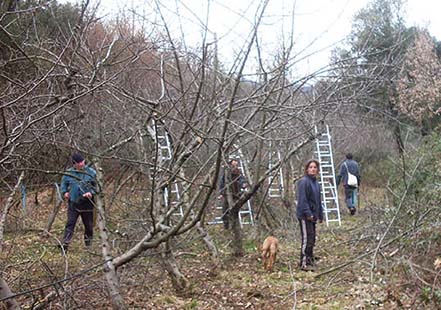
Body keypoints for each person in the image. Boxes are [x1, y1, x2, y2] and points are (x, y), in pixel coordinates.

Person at [60, 153, 97, 253]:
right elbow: (63, 184)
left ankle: (88, 245)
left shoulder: (91, 172)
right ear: (74, 164)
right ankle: (65, 244)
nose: (82, 164)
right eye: (79, 163)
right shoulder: (69, 173)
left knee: (88, 225)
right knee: (70, 223)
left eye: (83, 161)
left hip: (87, 203)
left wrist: (91, 192)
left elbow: (97, 187)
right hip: (74, 203)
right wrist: (65, 192)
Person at [296, 159, 323, 271]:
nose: (313, 169)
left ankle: (310, 259)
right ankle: (304, 263)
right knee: (307, 238)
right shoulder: (303, 182)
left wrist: (320, 214)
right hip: (304, 215)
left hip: (313, 215)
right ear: (307, 169)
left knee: (312, 238)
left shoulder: (316, 183)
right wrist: (308, 213)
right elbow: (302, 200)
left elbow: (318, 200)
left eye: (315, 167)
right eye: (311, 167)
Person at [218, 159, 247, 229]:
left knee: (234, 212)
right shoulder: (226, 174)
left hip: (236, 195)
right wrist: (221, 193)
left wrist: (243, 184)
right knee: (225, 212)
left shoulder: (238, 174)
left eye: (236, 165)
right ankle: (226, 227)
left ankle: (235, 227)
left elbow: (242, 181)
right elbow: (222, 184)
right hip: (227, 195)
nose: (235, 167)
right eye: (233, 165)